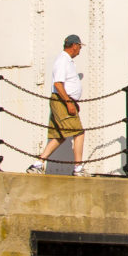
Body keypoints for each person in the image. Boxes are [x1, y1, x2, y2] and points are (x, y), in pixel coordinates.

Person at [35, 35, 86, 174]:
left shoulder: (67, 61)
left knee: (59, 135)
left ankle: (37, 164)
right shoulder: (63, 60)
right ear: (74, 45)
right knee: (79, 133)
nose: (80, 50)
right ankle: (78, 168)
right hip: (63, 101)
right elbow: (58, 84)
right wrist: (69, 103)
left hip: (63, 100)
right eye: (80, 47)